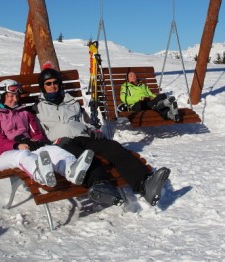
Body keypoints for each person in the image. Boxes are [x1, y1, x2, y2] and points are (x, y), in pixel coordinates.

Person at [33, 66, 172, 207]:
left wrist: (94, 130)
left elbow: (85, 121)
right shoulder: (37, 108)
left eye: (55, 82)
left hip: (83, 135)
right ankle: (100, 185)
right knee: (86, 158)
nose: (52, 86)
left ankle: (144, 183)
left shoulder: (72, 102)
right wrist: (51, 142)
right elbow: (37, 134)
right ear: (42, 87)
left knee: (113, 147)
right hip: (62, 143)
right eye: (48, 83)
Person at [0, 79, 94, 188]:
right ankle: (39, 173)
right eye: (11, 96)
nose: (15, 99)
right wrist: (16, 145)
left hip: (27, 147)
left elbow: (36, 133)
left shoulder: (24, 113)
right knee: (22, 155)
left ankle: (71, 169)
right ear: (1, 96)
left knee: (54, 150)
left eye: (17, 96)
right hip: (5, 154)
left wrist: (35, 141)